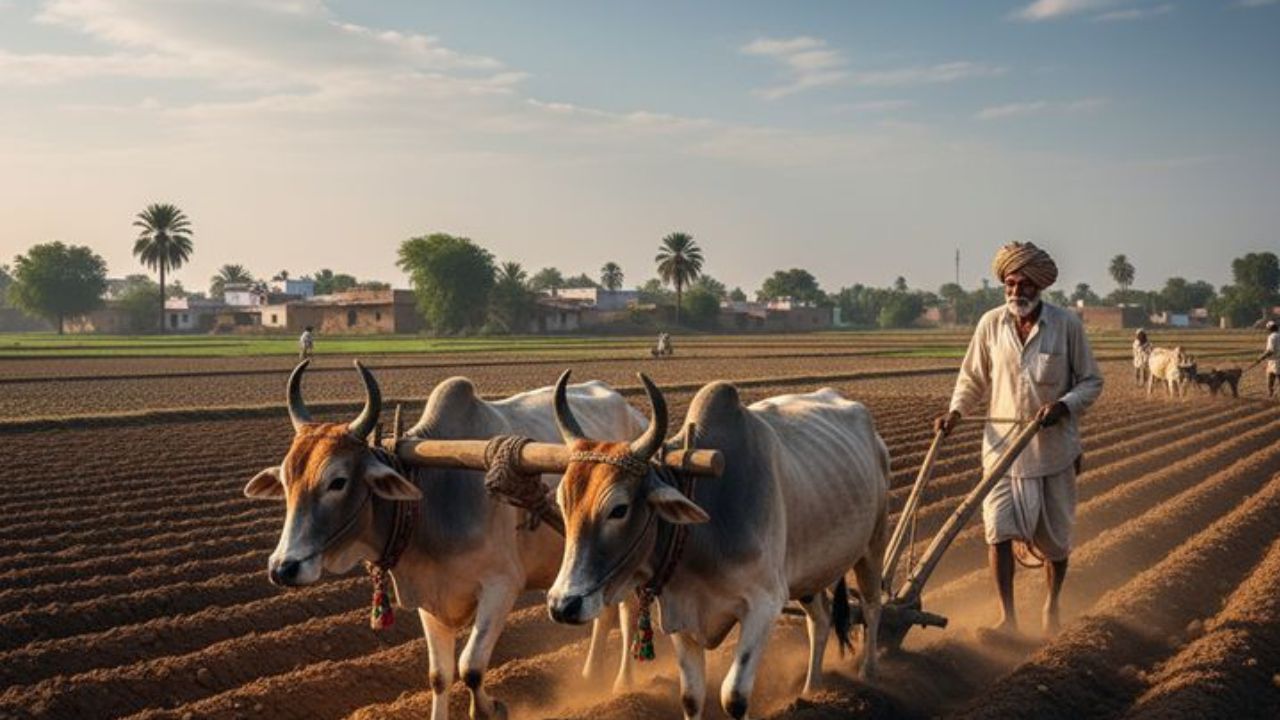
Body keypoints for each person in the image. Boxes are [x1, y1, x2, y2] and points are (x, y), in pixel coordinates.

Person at [933, 241, 1103, 637]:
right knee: (998, 532)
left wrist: (1064, 405)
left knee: (1056, 540)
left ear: (1039, 288)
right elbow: (972, 379)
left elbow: (1092, 381)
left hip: (1053, 452)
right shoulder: (990, 324)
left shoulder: (1066, 326)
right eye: (1010, 284)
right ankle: (1007, 618)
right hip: (1001, 451)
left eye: (1024, 285)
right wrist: (956, 412)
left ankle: (1051, 606)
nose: (1016, 293)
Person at [1259, 320, 1279, 398]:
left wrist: (1261, 357)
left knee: (1270, 378)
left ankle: (1270, 394)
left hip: (1275, 361)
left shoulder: (1272, 337)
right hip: (1274, 360)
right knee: (1270, 376)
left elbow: (1270, 350)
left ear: (1270, 329)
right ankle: (1271, 395)